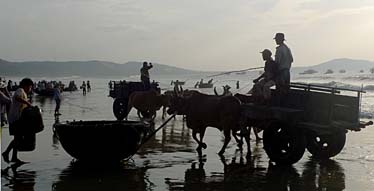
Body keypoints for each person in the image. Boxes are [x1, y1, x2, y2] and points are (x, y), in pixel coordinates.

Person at [2, 78, 34, 163]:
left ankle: (13, 157)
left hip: (18, 118)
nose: (30, 89)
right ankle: (6, 153)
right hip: (15, 118)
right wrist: (28, 103)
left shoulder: (24, 93)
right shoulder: (20, 90)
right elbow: (17, 98)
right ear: (26, 85)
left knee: (17, 138)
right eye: (30, 87)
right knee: (17, 138)